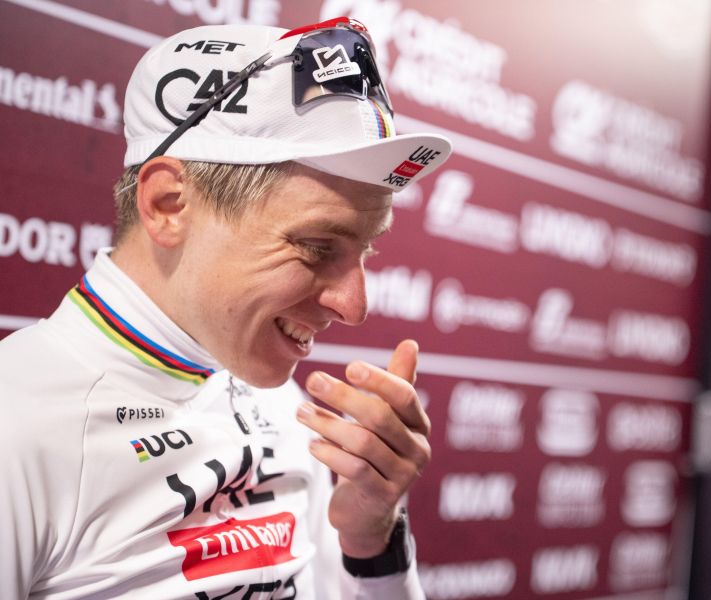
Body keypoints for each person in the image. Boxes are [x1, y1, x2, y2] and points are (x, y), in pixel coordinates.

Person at [0, 16, 451, 599]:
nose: (354, 306)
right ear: (168, 205)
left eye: (366, 250)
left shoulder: (282, 405)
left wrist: (372, 545)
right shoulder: (17, 422)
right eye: (317, 247)